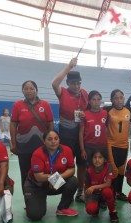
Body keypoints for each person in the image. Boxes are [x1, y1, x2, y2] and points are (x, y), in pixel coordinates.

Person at [52, 57, 89, 203]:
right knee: (64, 164)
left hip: (81, 135)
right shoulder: (63, 93)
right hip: (66, 135)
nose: (77, 85)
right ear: (68, 83)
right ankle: (63, 192)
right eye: (73, 83)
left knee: (82, 165)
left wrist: (86, 115)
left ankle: (80, 191)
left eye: (79, 83)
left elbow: (90, 111)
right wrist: (69, 66)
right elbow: (54, 83)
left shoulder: (85, 93)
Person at [24, 129, 78, 221]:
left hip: (55, 183)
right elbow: (39, 177)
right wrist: (54, 178)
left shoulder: (67, 150)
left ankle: (62, 208)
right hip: (37, 185)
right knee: (35, 215)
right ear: (44, 141)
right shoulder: (37, 153)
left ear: (59, 140)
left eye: (56, 138)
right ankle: (35, 202)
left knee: (73, 181)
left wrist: (57, 179)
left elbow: (71, 169)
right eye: (49, 139)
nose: (53, 141)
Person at [10, 80, 54, 194]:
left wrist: (52, 141)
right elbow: (13, 124)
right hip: (24, 146)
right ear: (22, 91)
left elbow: (50, 124)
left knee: (43, 171)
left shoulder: (45, 105)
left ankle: (41, 196)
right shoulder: (17, 105)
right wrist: (13, 143)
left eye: (31, 88)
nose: (29, 91)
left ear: (37, 90)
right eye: (26, 88)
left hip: (42, 146)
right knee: (25, 173)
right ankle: (28, 199)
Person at [105, 89, 131, 201]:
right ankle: (109, 193)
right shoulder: (107, 111)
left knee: (121, 170)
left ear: (124, 98)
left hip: (125, 146)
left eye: (121, 97)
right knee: (113, 170)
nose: (119, 100)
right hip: (112, 145)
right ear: (111, 100)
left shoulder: (129, 111)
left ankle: (119, 192)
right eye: (116, 98)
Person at [85, 149, 119, 223]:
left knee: (107, 191)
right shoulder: (88, 170)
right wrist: (87, 201)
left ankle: (112, 212)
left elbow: (108, 184)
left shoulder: (108, 166)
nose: (97, 160)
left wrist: (93, 187)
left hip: (105, 192)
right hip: (94, 194)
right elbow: (87, 187)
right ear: (92, 159)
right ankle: (97, 206)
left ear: (105, 159)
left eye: (100, 157)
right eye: (95, 157)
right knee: (90, 210)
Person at [79, 90, 107, 163]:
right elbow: (81, 133)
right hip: (89, 146)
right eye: (93, 99)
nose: (96, 102)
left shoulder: (105, 113)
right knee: (89, 168)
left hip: (102, 146)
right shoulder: (85, 114)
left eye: (98, 99)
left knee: (102, 167)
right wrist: (82, 150)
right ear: (89, 101)